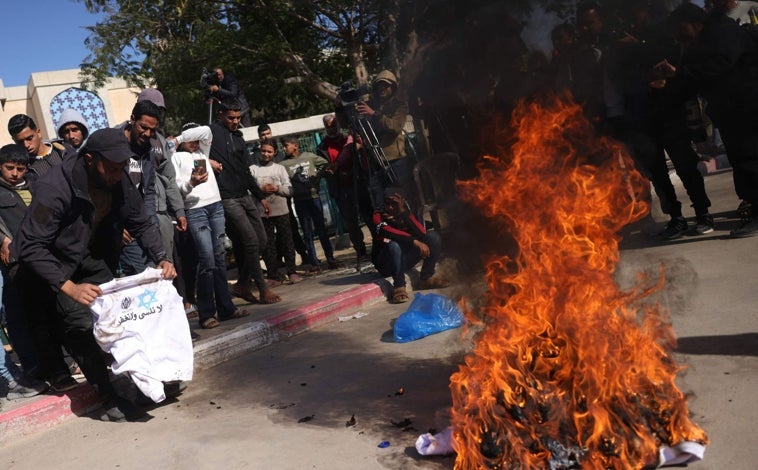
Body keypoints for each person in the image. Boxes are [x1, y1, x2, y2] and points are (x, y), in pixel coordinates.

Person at [13, 128, 177, 422]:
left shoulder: (118, 176)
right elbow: (31, 246)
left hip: (93, 255)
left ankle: (142, 382)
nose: (118, 174)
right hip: (56, 264)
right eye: (112, 168)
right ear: (90, 159)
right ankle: (109, 397)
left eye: (122, 167)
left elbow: (140, 220)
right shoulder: (54, 188)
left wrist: (161, 257)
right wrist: (69, 287)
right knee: (79, 327)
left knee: (116, 319)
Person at [654, 3, 758, 237]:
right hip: (730, 110)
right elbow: (693, 78)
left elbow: (719, 67)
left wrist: (679, 74)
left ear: (695, 23)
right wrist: (669, 81)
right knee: (742, 160)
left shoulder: (723, 32)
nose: (677, 36)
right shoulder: (698, 42)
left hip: (747, 106)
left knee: (749, 159)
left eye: (679, 29)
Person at [170, 123, 249, 329]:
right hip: (195, 211)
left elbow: (206, 131)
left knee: (220, 258)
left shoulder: (203, 150)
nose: (195, 141)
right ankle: (206, 313)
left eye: (195, 137)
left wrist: (180, 137)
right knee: (207, 260)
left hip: (215, 207)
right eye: (190, 138)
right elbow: (177, 187)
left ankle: (226, 308)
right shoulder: (176, 157)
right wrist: (192, 183)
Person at [210, 97, 281, 304]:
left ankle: (242, 283)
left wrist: (261, 198)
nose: (234, 121)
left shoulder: (239, 138)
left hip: (246, 196)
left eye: (238, 118)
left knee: (262, 240)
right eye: (231, 117)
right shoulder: (210, 133)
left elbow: (246, 172)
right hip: (227, 198)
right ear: (221, 114)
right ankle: (261, 287)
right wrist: (207, 161)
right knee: (250, 240)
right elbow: (189, 146)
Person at [0, 144, 48, 400]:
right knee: (18, 319)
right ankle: (29, 370)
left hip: (41, 259)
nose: (15, 173)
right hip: (13, 265)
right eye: (9, 168)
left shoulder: (34, 185)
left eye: (20, 168)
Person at [371, 187, 448, 304]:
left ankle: (426, 278)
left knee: (433, 237)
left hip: (404, 259)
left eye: (394, 204)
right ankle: (399, 286)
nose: (390, 208)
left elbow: (421, 232)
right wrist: (414, 241)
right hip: (386, 263)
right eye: (387, 204)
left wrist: (403, 212)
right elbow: (388, 232)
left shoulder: (405, 213)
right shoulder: (378, 216)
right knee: (394, 245)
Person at [351, 70, 413, 210]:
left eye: (386, 85)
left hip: (396, 162)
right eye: (379, 86)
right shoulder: (369, 105)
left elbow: (395, 127)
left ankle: (413, 228)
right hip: (375, 163)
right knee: (381, 204)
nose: (382, 89)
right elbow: (348, 124)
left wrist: (374, 114)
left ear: (393, 88)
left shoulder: (399, 105)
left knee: (401, 202)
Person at [280, 135, 340, 272]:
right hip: (300, 200)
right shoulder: (283, 165)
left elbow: (324, 164)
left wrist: (317, 178)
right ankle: (314, 262)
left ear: (295, 146)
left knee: (322, 230)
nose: (284, 149)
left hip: (314, 197)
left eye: (286, 145)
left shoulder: (309, 157)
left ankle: (330, 258)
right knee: (307, 233)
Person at [317, 114, 372, 259]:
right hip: (341, 189)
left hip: (358, 183)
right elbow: (323, 169)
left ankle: (378, 246)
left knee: (369, 216)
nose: (331, 129)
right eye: (328, 127)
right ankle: (360, 251)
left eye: (333, 125)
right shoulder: (322, 148)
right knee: (351, 224)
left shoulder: (350, 139)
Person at [250, 140, 301, 284]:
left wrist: (276, 188)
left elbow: (289, 190)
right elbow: (248, 190)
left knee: (287, 241)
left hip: (281, 210)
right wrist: (260, 190)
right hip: (263, 212)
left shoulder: (280, 169)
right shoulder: (253, 169)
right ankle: (273, 275)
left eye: (269, 151)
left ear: (275, 153)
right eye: (263, 151)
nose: (266, 154)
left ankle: (292, 271)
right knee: (267, 244)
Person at [8, 114, 73, 188]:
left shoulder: (65, 150)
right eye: (20, 142)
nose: (26, 145)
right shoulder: (23, 170)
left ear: (38, 133)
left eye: (29, 138)